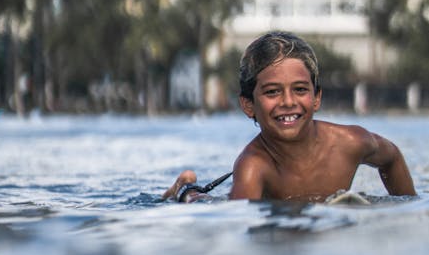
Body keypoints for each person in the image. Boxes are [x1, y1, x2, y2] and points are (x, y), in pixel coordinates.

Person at [163, 31, 416, 203]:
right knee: (201, 202)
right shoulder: (254, 167)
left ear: (316, 97)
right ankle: (186, 188)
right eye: (273, 92)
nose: (287, 102)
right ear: (248, 105)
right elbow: (234, 222)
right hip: (257, 217)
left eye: (300, 89)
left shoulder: (350, 142)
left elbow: (391, 156)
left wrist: (407, 205)